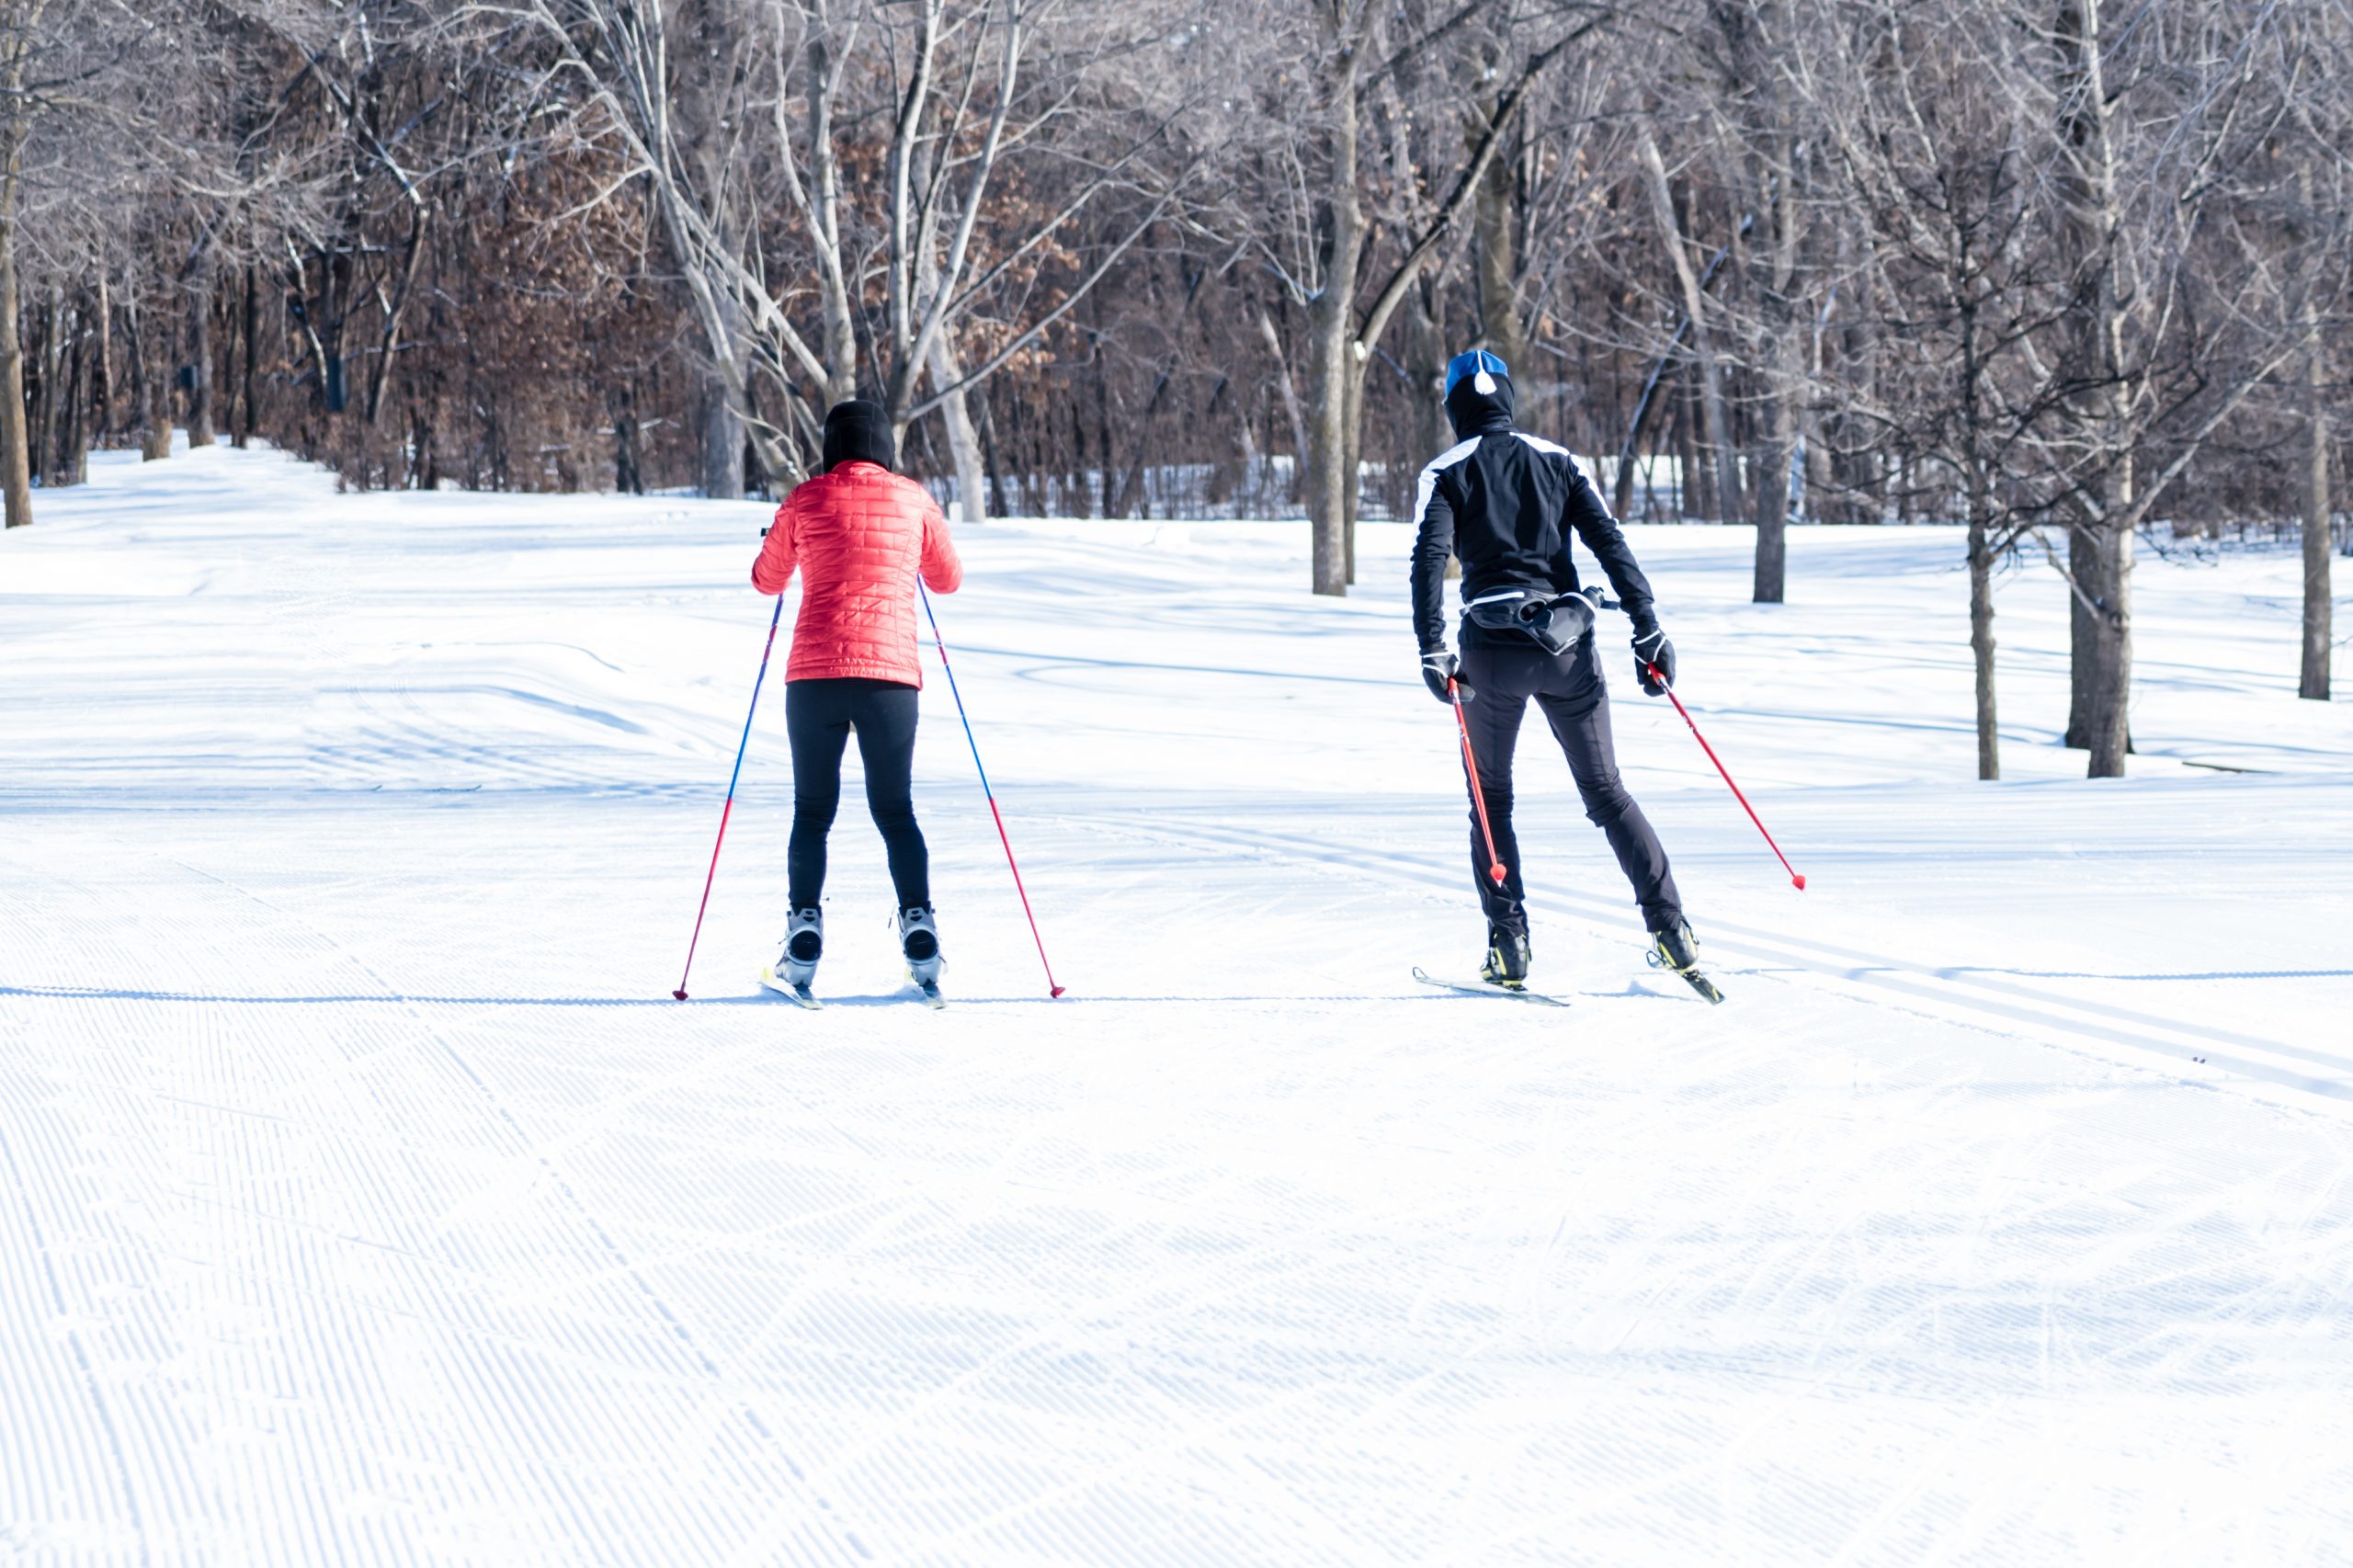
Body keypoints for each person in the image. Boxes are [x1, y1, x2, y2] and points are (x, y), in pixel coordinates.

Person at [1409, 349, 1708, 992]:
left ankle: (1509, 945)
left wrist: (1432, 648)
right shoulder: (1559, 459)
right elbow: (1609, 540)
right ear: (1509, 400)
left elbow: (1429, 561)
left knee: (1491, 802)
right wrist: (1646, 625)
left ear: (1454, 408)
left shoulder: (1444, 471)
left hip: (1488, 654)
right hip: (1567, 651)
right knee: (1607, 792)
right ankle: (1671, 929)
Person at [753, 399, 963, 994]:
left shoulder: (805, 498)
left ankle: (803, 937)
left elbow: (766, 579)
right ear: (886, 449)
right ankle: (919, 935)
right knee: (895, 811)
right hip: (890, 678)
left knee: (812, 813)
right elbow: (947, 579)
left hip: (815, 674)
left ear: (830, 445)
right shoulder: (913, 499)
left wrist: (782, 540)